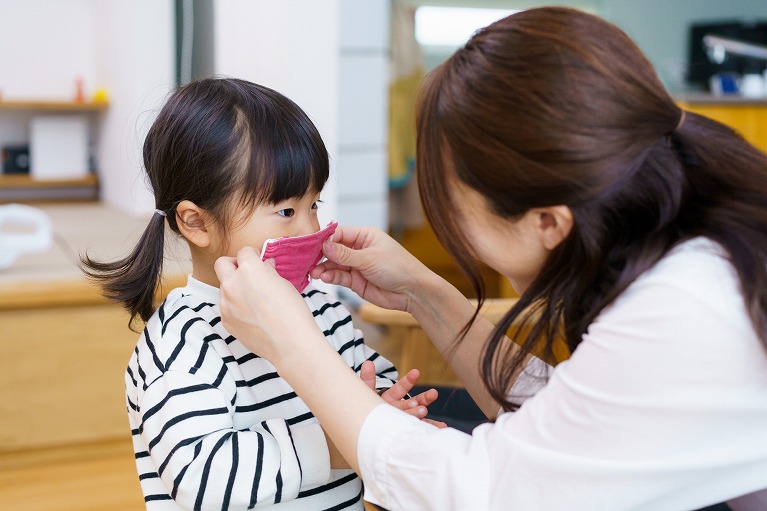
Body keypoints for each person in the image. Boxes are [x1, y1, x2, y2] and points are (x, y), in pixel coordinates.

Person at [212, 7, 767, 511]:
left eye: (453, 206)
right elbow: (578, 426)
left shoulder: (684, 309)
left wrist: (296, 345)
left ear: (548, 221)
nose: (308, 226)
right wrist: (424, 295)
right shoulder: (693, 248)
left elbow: (490, 491)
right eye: (285, 210)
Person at [80, 78, 439, 510]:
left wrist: (388, 405)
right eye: (286, 211)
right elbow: (206, 478)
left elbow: (373, 383)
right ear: (197, 223)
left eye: (314, 206)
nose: (310, 230)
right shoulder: (181, 344)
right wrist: (337, 447)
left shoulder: (323, 308)